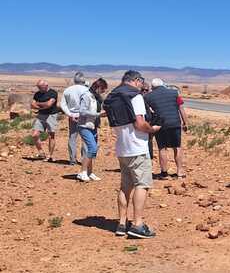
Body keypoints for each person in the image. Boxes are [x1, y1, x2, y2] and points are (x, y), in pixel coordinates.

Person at [104, 70, 162, 239]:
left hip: (122, 148)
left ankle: (121, 223)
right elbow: (139, 123)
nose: (141, 84)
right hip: (137, 147)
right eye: (141, 81)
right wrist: (152, 129)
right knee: (142, 184)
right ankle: (138, 224)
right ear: (136, 80)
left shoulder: (113, 96)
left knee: (125, 187)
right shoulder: (135, 97)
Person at [144, 78, 188, 178]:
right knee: (177, 147)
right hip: (175, 123)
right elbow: (181, 108)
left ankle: (164, 173)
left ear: (152, 87)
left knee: (162, 148)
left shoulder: (148, 97)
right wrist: (185, 123)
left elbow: (147, 112)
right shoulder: (174, 93)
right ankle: (180, 172)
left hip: (160, 125)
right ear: (163, 84)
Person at [74, 78, 108, 182]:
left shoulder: (96, 97)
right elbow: (83, 112)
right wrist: (98, 114)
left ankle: (90, 172)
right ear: (97, 87)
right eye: (102, 89)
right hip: (84, 126)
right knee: (92, 148)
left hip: (93, 125)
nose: (103, 92)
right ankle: (83, 172)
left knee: (92, 149)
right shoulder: (86, 96)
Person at [60, 72, 89, 165]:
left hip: (72, 116)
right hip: (85, 116)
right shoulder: (87, 90)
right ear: (83, 80)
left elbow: (63, 105)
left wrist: (70, 114)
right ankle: (85, 159)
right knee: (85, 138)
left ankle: (72, 159)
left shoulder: (68, 90)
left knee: (72, 137)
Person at [29, 80, 58, 161]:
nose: (39, 88)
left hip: (51, 115)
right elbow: (32, 104)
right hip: (41, 115)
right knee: (35, 135)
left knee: (51, 135)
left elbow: (49, 104)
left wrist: (38, 104)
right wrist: (43, 106)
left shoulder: (53, 93)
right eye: (38, 87)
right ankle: (41, 153)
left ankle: (50, 156)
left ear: (46, 85)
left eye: (40, 87)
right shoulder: (37, 94)